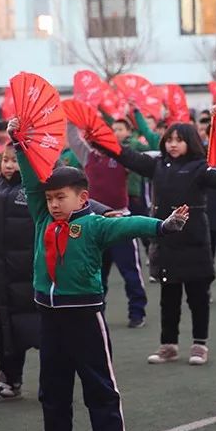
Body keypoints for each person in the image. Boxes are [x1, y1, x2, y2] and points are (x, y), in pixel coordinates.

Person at [8, 115, 189, 431]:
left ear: (83, 197)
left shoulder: (94, 224)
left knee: (99, 385)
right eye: (50, 198)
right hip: (50, 315)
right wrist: (18, 143)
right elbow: (29, 181)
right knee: (52, 387)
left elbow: (130, 223)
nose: (54, 204)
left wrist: (162, 226)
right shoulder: (43, 217)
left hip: (85, 317)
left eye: (61, 197)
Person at [89, 123, 216, 365]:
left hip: (194, 242)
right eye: (169, 139)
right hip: (166, 240)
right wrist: (98, 140)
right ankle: (168, 345)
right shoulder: (158, 165)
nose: (172, 144)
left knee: (198, 297)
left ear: (190, 142)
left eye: (179, 140)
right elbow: (127, 156)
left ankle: (199, 344)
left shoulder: (201, 168)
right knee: (168, 297)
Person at [66, 118, 148, 329]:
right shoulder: (88, 156)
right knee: (97, 272)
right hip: (95, 223)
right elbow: (73, 139)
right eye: (93, 137)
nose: (96, 140)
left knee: (130, 270)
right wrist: (71, 119)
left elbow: (142, 156)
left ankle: (137, 312)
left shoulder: (121, 156)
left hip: (120, 221)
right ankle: (96, 311)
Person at [0, 145, 39, 401]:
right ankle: (7, 380)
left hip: (29, 271)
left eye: (15, 160)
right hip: (1, 272)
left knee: (38, 329)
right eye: (5, 160)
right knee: (6, 329)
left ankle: (53, 381)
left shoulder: (35, 186)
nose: (9, 165)